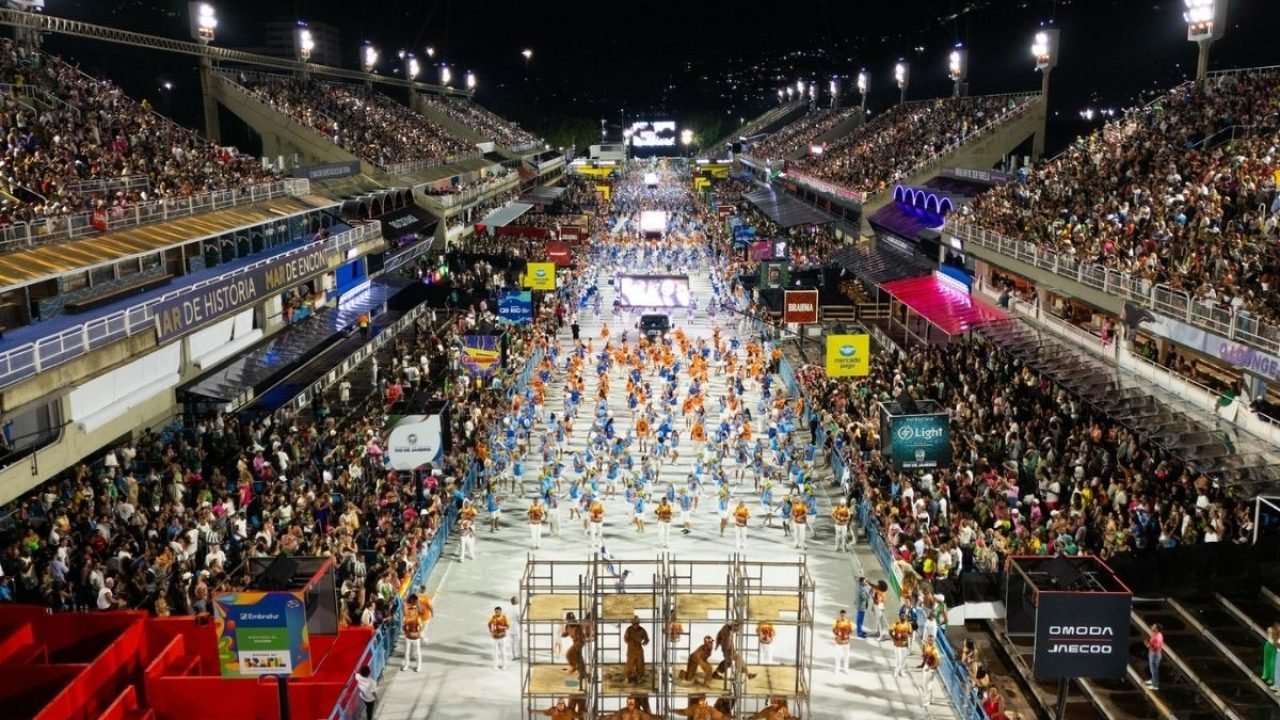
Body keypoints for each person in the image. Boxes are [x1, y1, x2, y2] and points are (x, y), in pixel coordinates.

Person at [624, 616, 650, 684]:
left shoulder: (642, 630)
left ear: (638, 623)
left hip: (639, 650)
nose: (635, 625)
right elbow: (626, 638)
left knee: (640, 664)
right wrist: (631, 642)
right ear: (632, 623)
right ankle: (628, 677)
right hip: (631, 650)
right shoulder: (629, 629)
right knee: (629, 665)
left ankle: (640, 677)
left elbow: (646, 639)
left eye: (637, 623)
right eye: (634, 623)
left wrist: (645, 642)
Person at [563, 612, 587, 680]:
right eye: (570, 619)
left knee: (569, 654)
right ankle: (582, 673)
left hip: (580, 641)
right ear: (567, 619)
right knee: (578, 658)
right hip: (575, 642)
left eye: (572, 618)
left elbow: (581, 635)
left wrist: (579, 642)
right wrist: (564, 634)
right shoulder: (567, 626)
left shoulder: (577, 625)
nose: (572, 620)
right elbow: (566, 633)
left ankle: (574, 666)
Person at [402, 595, 423, 672]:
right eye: (409, 611)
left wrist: (418, 633)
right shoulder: (406, 618)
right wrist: (406, 633)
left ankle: (419, 666)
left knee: (417, 652)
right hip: (408, 637)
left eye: (412, 611)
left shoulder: (417, 618)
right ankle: (406, 665)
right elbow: (404, 627)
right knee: (407, 652)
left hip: (416, 637)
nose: (410, 612)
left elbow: (421, 626)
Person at [920, 635, 941, 707]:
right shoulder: (927, 647)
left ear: (933, 641)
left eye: (931, 640)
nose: (929, 641)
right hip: (927, 666)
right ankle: (931, 698)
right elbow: (925, 655)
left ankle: (927, 701)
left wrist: (930, 668)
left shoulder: (935, 650)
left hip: (931, 669)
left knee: (927, 685)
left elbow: (938, 662)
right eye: (928, 640)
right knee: (927, 683)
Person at [890, 609, 913, 676]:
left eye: (904, 615)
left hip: (905, 646)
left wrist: (906, 638)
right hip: (897, 645)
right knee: (899, 660)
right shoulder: (896, 624)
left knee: (904, 659)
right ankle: (896, 672)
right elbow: (890, 631)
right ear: (899, 616)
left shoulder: (908, 625)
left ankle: (901, 671)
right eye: (902, 615)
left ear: (906, 616)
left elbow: (910, 633)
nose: (903, 616)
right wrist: (894, 638)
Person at [832, 609, 854, 674]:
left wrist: (846, 635)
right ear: (840, 615)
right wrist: (838, 635)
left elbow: (851, 630)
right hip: (838, 642)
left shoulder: (849, 622)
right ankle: (837, 668)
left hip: (846, 642)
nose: (843, 616)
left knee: (846, 656)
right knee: (838, 656)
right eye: (841, 615)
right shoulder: (836, 622)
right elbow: (833, 630)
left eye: (844, 615)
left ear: (846, 615)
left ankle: (846, 668)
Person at [1146, 622, 1163, 690]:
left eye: (1153, 626)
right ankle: (1153, 680)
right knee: (1152, 669)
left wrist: (1148, 645)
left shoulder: (1157, 637)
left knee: (1154, 670)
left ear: (1157, 629)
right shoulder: (1156, 634)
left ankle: (1155, 686)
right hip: (1153, 654)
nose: (1151, 626)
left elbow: (1156, 648)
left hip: (1155, 655)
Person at [509, 595, 524, 661]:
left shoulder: (509, 608)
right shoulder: (517, 608)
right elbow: (519, 619)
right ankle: (518, 655)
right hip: (516, 627)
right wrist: (523, 627)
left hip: (510, 627)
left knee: (511, 642)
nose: (519, 599)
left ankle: (512, 655)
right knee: (518, 641)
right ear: (515, 601)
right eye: (517, 599)